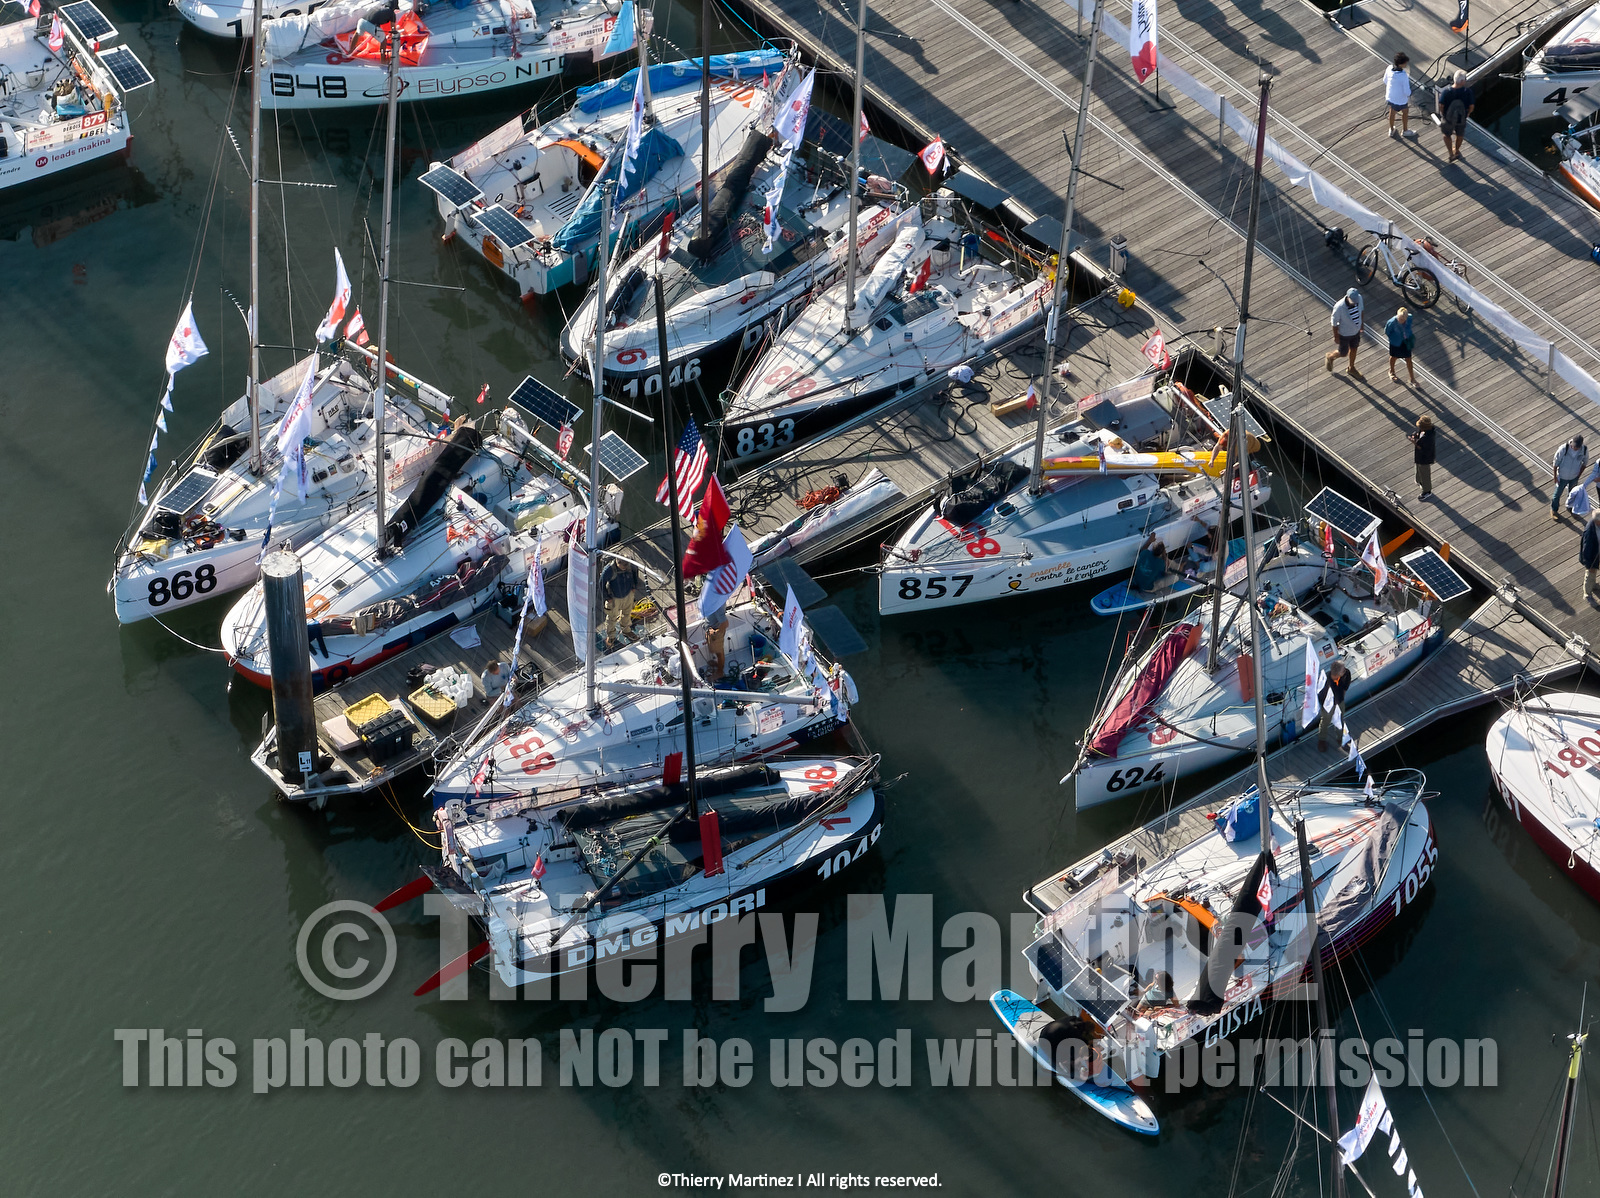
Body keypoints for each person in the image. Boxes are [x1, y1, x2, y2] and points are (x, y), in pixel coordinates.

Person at [599, 557, 640, 649]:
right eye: (623, 566)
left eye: (627, 565)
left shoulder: (631, 565)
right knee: (612, 618)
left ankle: (626, 630)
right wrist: (607, 597)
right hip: (614, 598)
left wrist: (634, 586)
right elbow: (601, 583)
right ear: (618, 562)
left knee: (627, 614)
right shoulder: (609, 569)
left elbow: (635, 573)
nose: (625, 567)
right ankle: (611, 636)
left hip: (628, 594)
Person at [1325, 288, 1364, 379]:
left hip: (1356, 331)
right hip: (1344, 334)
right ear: (1347, 297)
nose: (1355, 303)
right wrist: (1336, 336)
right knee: (1343, 353)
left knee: (1354, 348)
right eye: (1353, 301)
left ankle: (1351, 368)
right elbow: (1334, 323)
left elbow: (1361, 310)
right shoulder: (1339, 307)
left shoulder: (1359, 298)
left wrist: (1361, 324)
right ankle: (1330, 357)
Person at [1437, 70, 1474, 163]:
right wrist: (1468, 113)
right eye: (1465, 79)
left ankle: (1451, 153)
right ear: (1462, 81)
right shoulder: (1467, 92)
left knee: (1446, 135)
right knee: (1460, 134)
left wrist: (1443, 114)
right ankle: (1456, 150)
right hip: (1461, 118)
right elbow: (1471, 106)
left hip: (1448, 118)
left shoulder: (1446, 92)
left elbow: (1441, 105)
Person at [1316, 661, 1352, 753]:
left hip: (1339, 701)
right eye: (1342, 670)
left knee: (1340, 720)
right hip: (1328, 704)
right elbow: (1320, 694)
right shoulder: (1325, 681)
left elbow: (1345, 687)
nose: (1345, 670)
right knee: (1325, 722)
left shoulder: (1346, 674)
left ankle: (1340, 738)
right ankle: (1322, 740)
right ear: (1337, 673)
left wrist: (1340, 700)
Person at [1552, 435, 1590, 520]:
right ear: (1571, 442)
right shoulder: (1563, 449)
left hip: (1574, 477)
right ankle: (1554, 510)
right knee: (1557, 495)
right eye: (1574, 446)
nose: (1575, 448)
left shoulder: (1584, 450)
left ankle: (1570, 508)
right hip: (1562, 476)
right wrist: (1555, 477)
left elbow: (1585, 463)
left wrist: (1578, 475)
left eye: (1577, 447)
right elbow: (1555, 463)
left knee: (1573, 494)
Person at [1384, 53, 1417, 140]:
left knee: (1392, 111)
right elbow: (1407, 92)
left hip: (1390, 96)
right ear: (1401, 64)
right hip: (1400, 99)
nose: (1406, 65)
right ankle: (1405, 130)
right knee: (1405, 112)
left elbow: (1385, 80)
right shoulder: (1403, 76)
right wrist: (1410, 93)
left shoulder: (1389, 68)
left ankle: (1391, 129)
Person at [1408, 415, 1436, 500]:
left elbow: (1422, 447)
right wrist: (1415, 436)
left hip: (1425, 457)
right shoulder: (1424, 430)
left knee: (1425, 474)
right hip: (1419, 455)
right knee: (1417, 468)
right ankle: (1419, 481)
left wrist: (1414, 442)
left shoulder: (1428, 437)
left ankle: (1427, 491)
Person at [1385, 306, 1415, 384]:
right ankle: (1391, 371)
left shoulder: (1409, 318)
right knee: (1394, 357)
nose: (1400, 320)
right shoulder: (1391, 322)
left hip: (1405, 341)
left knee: (1408, 359)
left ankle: (1412, 378)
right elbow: (1387, 332)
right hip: (1395, 342)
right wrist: (1394, 339)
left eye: (1402, 319)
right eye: (1399, 318)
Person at [705, 612, 730, 680]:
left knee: (719, 653)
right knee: (715, 650)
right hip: (710, 629)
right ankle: (718, 664)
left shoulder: (717, 607)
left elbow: (725, 623)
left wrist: (715, 633)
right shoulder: (711, 605)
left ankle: (720, 672)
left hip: (715, 633)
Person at [1583, 512, 1600, 603]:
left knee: (1594, 573)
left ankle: (1593, 584)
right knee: (1590, 574)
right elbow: (1586, 549)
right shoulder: (1590, 531)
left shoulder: (1598, 525)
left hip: (1598, 553)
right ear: (1597, 521)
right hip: (1592, 557)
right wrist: (1589, 565)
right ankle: (1587, 595)